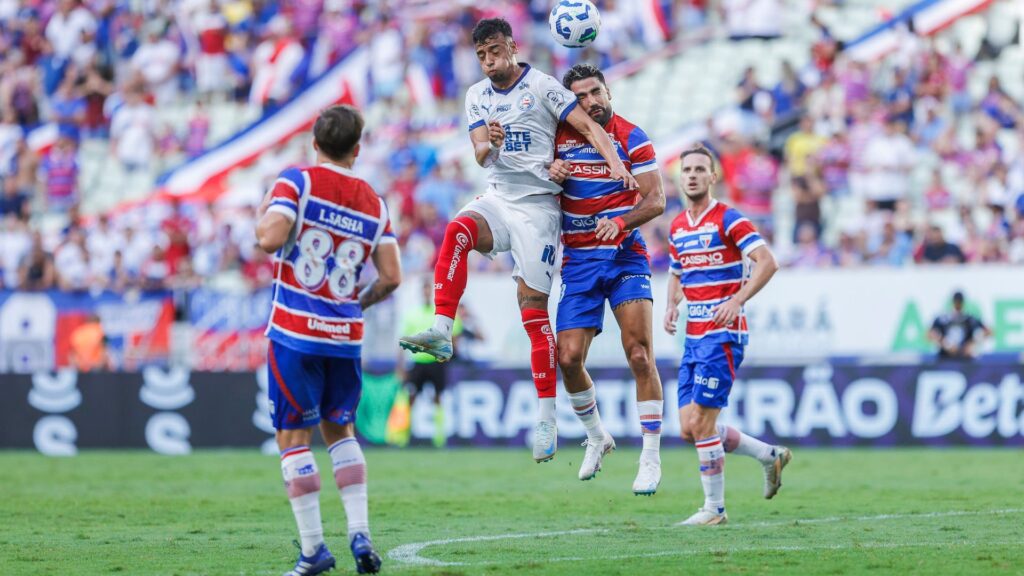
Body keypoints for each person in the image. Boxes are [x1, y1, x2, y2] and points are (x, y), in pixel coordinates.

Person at [399, 18, 638, 463]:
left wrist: (617, 166)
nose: (489, 62)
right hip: (498, 197)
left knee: (532, 311)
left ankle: (547, 415)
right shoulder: (475, 95)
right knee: (457, 231)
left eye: (494, 51)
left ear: (511, 46)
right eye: (481, 56)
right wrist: (489, 144)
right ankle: (441, 329)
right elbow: (479, 153)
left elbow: (588, 127)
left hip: (538, 213)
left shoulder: (544, 86)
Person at [255, 105, 401, 575]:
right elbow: (391, 277)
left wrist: (264, 215)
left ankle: (314, 549)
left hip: (296, 333)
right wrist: (356, 305)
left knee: (293, 437)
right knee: (341, 431)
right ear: (357, 150)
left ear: (313, 144)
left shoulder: (296, 181)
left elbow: (270, 239)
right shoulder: (375, 202)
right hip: (345, 337)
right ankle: (360, 532)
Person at [546, 64, 666, 493]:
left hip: (623, 257)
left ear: (608, 90)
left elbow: (656, 199)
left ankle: (650, 456)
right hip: (578, 262)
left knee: (639, 354)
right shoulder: (558, 138)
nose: (591, 101)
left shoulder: (633, 136)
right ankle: (597, 436)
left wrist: (622, 221)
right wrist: (551, 174)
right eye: (581, 97)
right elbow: (535, 188)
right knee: (568, 358)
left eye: (596, 92)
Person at [665, 145, 791, 526]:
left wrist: (737, 299)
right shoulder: (677, 226)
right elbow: (676, 271)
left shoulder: (729, 219)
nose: (692, 175)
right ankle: (769, 455)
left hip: (722, 337)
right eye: (687, 169)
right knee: (689, 429)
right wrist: (671, 305)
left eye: (700, 169)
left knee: (702, 424)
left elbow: (767, 262)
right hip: (692, 337)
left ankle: (714, 510)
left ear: (712, 177)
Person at [398, 277, 461, 448]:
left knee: (438, 398)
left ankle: (439, 438)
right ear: (421, 292)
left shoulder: (441, 314)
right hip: (418, 363)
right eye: (424, 290)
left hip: (436, 362)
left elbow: (455, 335)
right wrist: (401, 366)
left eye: (428, 290)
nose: (426, 293)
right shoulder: (412, 314)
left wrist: (449, 354)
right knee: (410, 399)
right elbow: (403, 342)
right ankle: (402, 438)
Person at [929, 291, 991, 360]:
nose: (958, 304)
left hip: (964, 357)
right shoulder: (943, 319)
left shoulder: (969, 319)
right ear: (953, 302)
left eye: (959, 302)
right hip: (945, 357)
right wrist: (945, 344)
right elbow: (929, 334)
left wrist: (972, 343)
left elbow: (988, 331)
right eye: (956, 302)